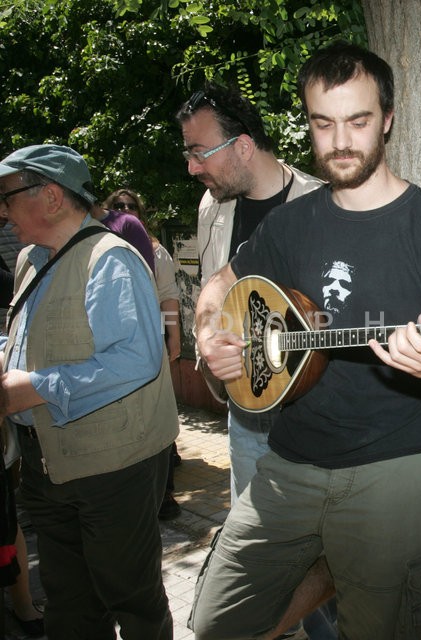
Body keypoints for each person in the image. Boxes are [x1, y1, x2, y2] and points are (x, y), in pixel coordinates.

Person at [187, 42, 421, 640]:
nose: (340, 141)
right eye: (323, 124)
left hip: (395, 466)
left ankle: (355, 559)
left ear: (387, 119)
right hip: (291, 457)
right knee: (214, 624)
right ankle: (338, 561)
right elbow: (215, 291)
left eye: (358, 121)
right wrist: (211, 339)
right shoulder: (291, 223)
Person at [0, 144, 178, 637]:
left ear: (51, 196)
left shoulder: (109, 259)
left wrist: (32, 388)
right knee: (71, 603)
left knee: (131, 599)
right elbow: (32, 337)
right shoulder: (32, 260)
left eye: (7, 196)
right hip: (48, 465)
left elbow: (136, 360)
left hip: (113, 469)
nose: (1, 210)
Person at [175, 82, 323, 506]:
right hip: (243, 410)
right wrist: (207, 337)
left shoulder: (318, 204)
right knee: (253, 540)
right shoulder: (212, 206)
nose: (191, 168)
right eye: (188, 154)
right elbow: (213, 290)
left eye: (199, 153)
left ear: (242, 146)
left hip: (308, 411)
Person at [104, 187, 183, 520]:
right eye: (119, 205)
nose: (125, 209)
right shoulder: (101, 248)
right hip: (117, 346)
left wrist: (172, 336)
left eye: (131, 205)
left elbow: (167, 296)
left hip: (152, 339)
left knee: (158, 417)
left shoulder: (156, 251)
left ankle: (164, 494)